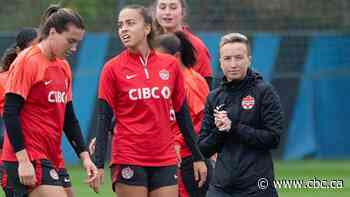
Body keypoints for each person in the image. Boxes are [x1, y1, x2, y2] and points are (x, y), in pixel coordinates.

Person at [92, 4, 207, 197]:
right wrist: (98, 163)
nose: (124, 29)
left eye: (130, 23)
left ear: (147, 28)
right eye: (120, 25)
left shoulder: (169, 65)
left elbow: (182, 115)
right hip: (129, 156)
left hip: (165, 158)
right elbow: (104, 118)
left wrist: (198, 157)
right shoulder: (112, 68)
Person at [0, 5, 97, 197]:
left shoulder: (63, 66)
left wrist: (85, 157)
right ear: (52, 32)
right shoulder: (28, 61)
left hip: (51, 157)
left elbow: (69, 118)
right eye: (70, 41)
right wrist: (23, 160)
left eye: (77, 42)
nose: (74, 48)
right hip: (27, 158)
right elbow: (10, 112)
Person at [198, 33, 284, 197]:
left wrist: (234, 127)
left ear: (248, 59)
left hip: (257, 187)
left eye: (238, 58)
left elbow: (273, 138)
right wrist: (220, 131)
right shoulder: (214, 97)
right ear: (221, 63)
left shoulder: (264, 92)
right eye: (227, 59)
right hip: (221, 187)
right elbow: (203, 149)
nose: (233, 64)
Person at [154, 31, 211, 197]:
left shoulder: (190, 82)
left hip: (189, 158)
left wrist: (178, 141)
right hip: (170, 158)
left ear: (176, 56)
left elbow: (205, 120)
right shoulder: (169, 81)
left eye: (159, 57)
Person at [152, 0, 213, 88]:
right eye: (162, 7)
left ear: (183, 12)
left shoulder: (196, 45)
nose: (167, 12)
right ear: (155, 11)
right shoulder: (147, 43)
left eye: (173, 7)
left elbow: (206, 85)